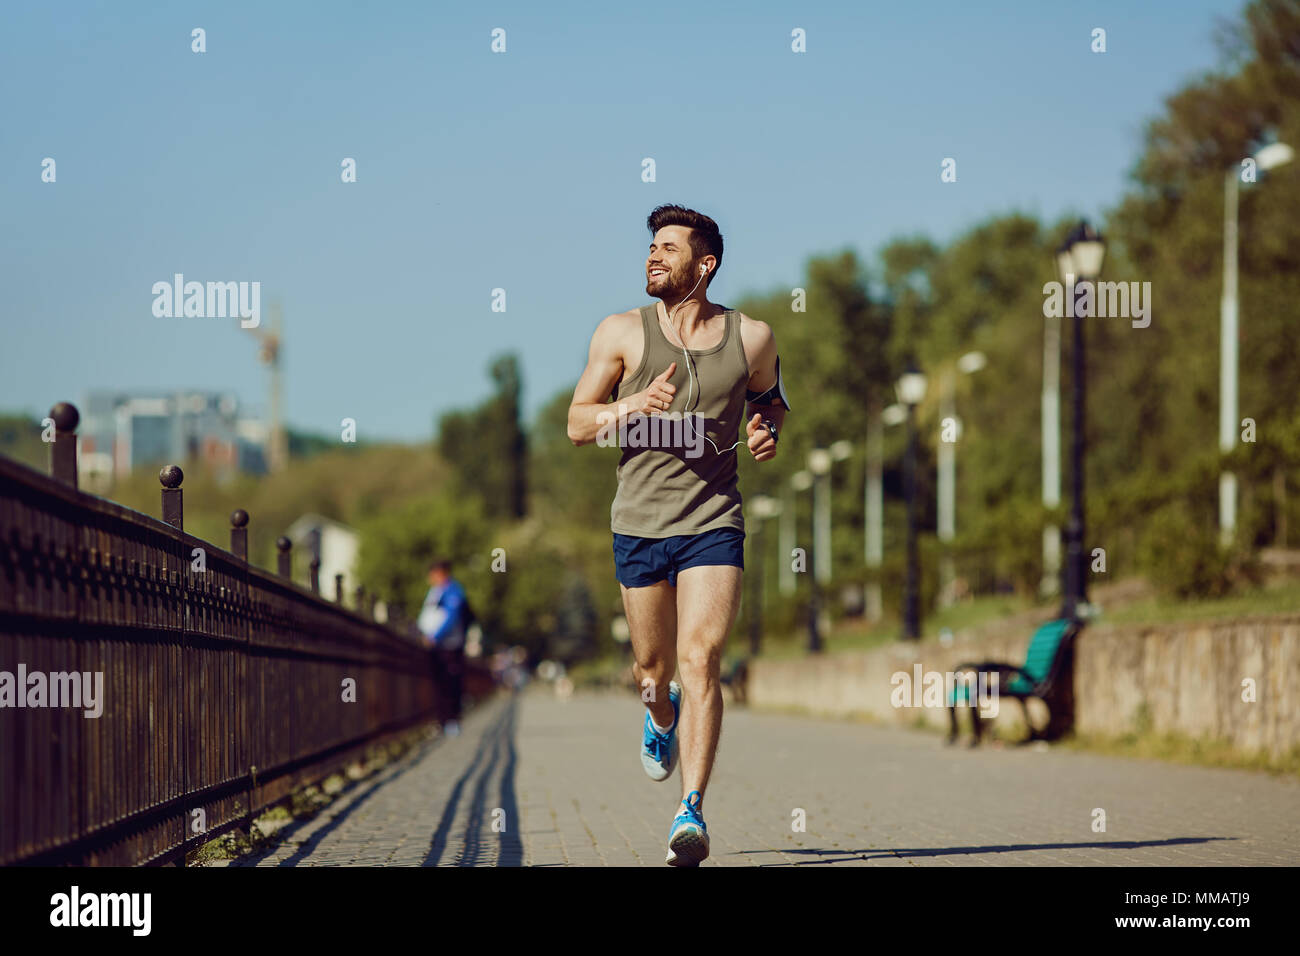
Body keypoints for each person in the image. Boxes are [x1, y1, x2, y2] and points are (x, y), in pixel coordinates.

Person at [567, 204, 789, 866]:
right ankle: (659, 716)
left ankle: (690, 811)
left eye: (668, 247)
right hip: (638, 525)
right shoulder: (620, 334)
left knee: (700, 659)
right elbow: (579, 425)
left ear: (705, 264)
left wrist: (765, 430)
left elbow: (769, 400)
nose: (652, 257)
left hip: (712, 521)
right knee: (654, 670)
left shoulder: (751, 337)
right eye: (650, 247)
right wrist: (631, 404)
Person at [418, 559, 470, 737]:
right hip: (436, 645)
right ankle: (441, 720)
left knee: (450, 682)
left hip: (449, 644)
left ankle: (452, 720)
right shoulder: (435, 592)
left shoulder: (453, 590)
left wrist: (435, 636)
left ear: (441, 573)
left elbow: (451, 616)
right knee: (439, 683)